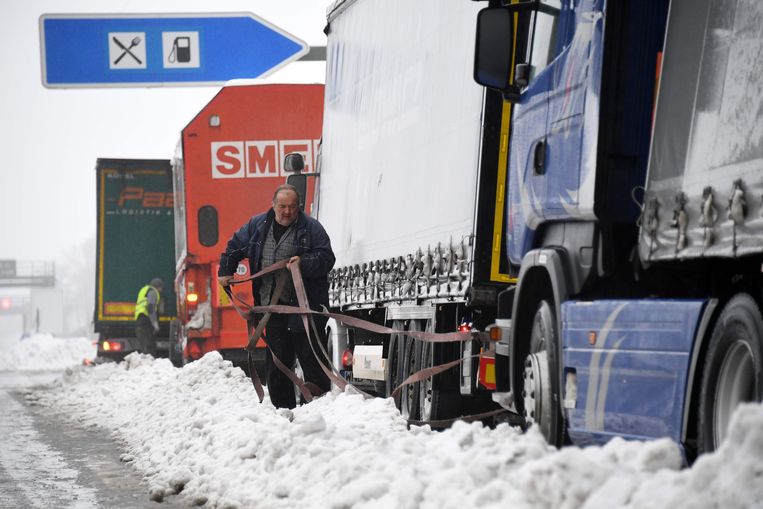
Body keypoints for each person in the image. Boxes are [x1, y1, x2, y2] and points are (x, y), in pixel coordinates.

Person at [218, 184, 335, 409]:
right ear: (273, 205)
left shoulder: (312, 228)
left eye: (292, 207)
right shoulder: (257, 226)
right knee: (278, 364)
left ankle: (320, 412)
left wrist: (304, 263)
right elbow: (234, 247)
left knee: (312, 362)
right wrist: (225, 270)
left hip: (304, 311)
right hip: (271, 311)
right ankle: (284, 413)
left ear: (298, 207)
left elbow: (327, 258)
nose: (287, 212)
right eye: (282, 206)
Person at [134, 278, 164, 356]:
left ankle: (146, 361)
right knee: (149, 344)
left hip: (140, 319)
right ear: (158, 287)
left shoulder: (144, 290)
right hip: (146, 319)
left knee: (144, 344)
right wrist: (154, 323)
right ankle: (149, 361)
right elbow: (150, 307)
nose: (161, 290)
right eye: (161, 287)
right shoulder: (153, 292)